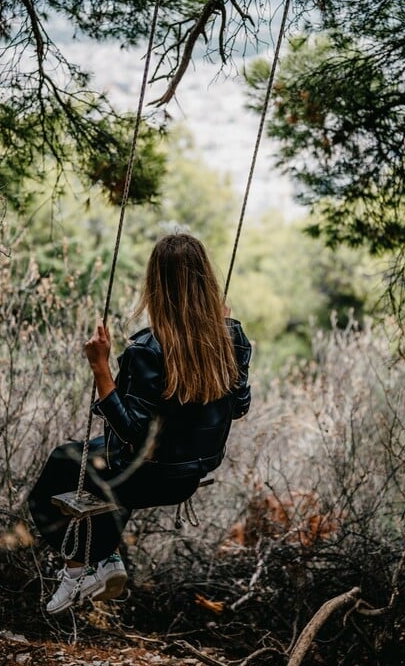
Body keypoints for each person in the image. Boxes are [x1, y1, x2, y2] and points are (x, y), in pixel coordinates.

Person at [29, 233, 252, 614]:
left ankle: (80, 568)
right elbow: (240, 405)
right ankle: (107, 560)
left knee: (56, 475)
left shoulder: (148, 350)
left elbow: (133, 431)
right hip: (184, 478)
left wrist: (101, 367)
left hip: (148, 472)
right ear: (205, 281)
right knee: (105, 480)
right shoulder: (231, 336)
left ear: (157, 286)